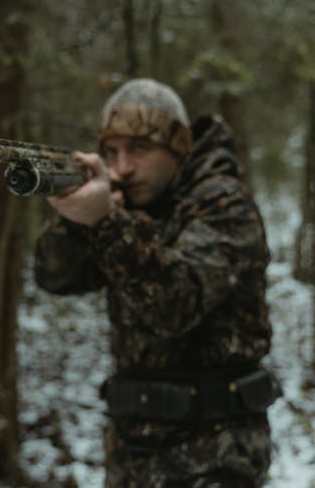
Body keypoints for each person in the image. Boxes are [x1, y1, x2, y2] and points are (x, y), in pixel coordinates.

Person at [33, 78, 279, 487]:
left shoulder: (223, 204)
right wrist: (77, 218)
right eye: (111, 152)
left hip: (214, 452)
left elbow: (174, 305)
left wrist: (106, 222)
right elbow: (55, 276)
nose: (122, 167)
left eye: (140, 150)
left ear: (178, 148)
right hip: (133, 450)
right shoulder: (130, 206)